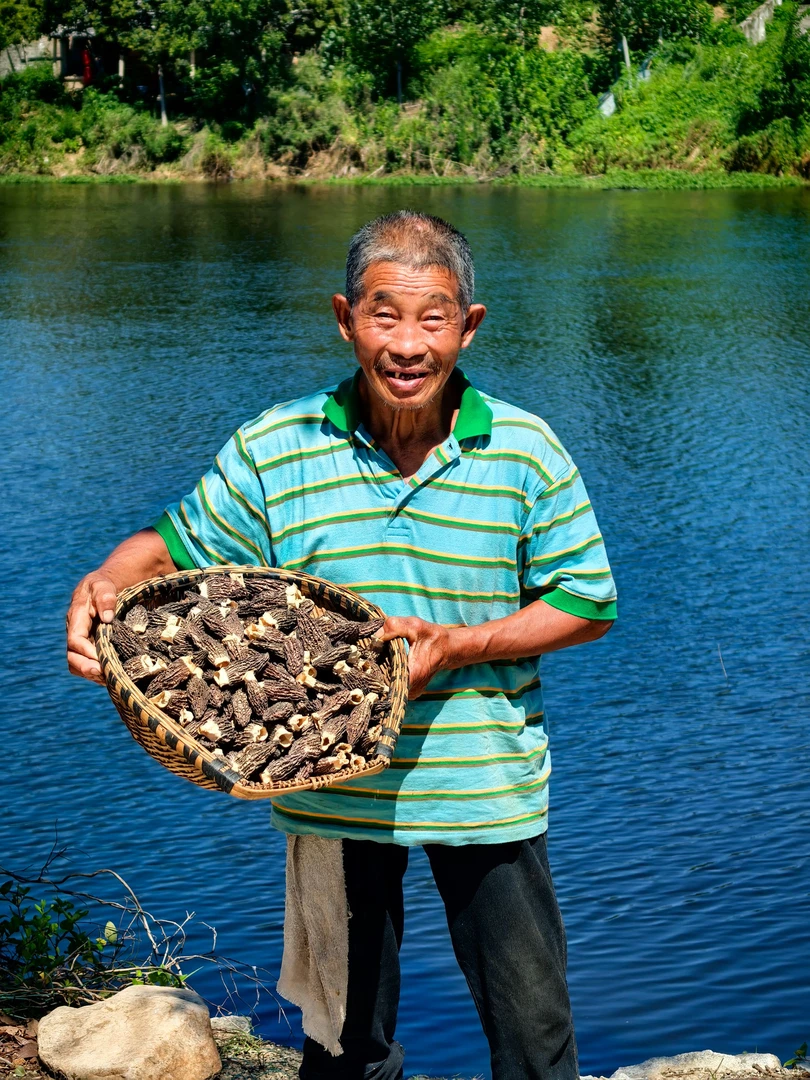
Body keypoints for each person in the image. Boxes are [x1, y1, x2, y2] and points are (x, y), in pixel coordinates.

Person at [67, 211, 617, 1080]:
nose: (406, 344)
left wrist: (461, 644)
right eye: (383, 314)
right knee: (344, 1050)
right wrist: (105, 576)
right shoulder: (276, 445)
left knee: (533, 1043)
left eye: (433, 317)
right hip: (328, 790)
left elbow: (587, 603)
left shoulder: (525, 451)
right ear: (344, 317)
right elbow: (171, 547)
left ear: (468, 326)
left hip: (484, 788)